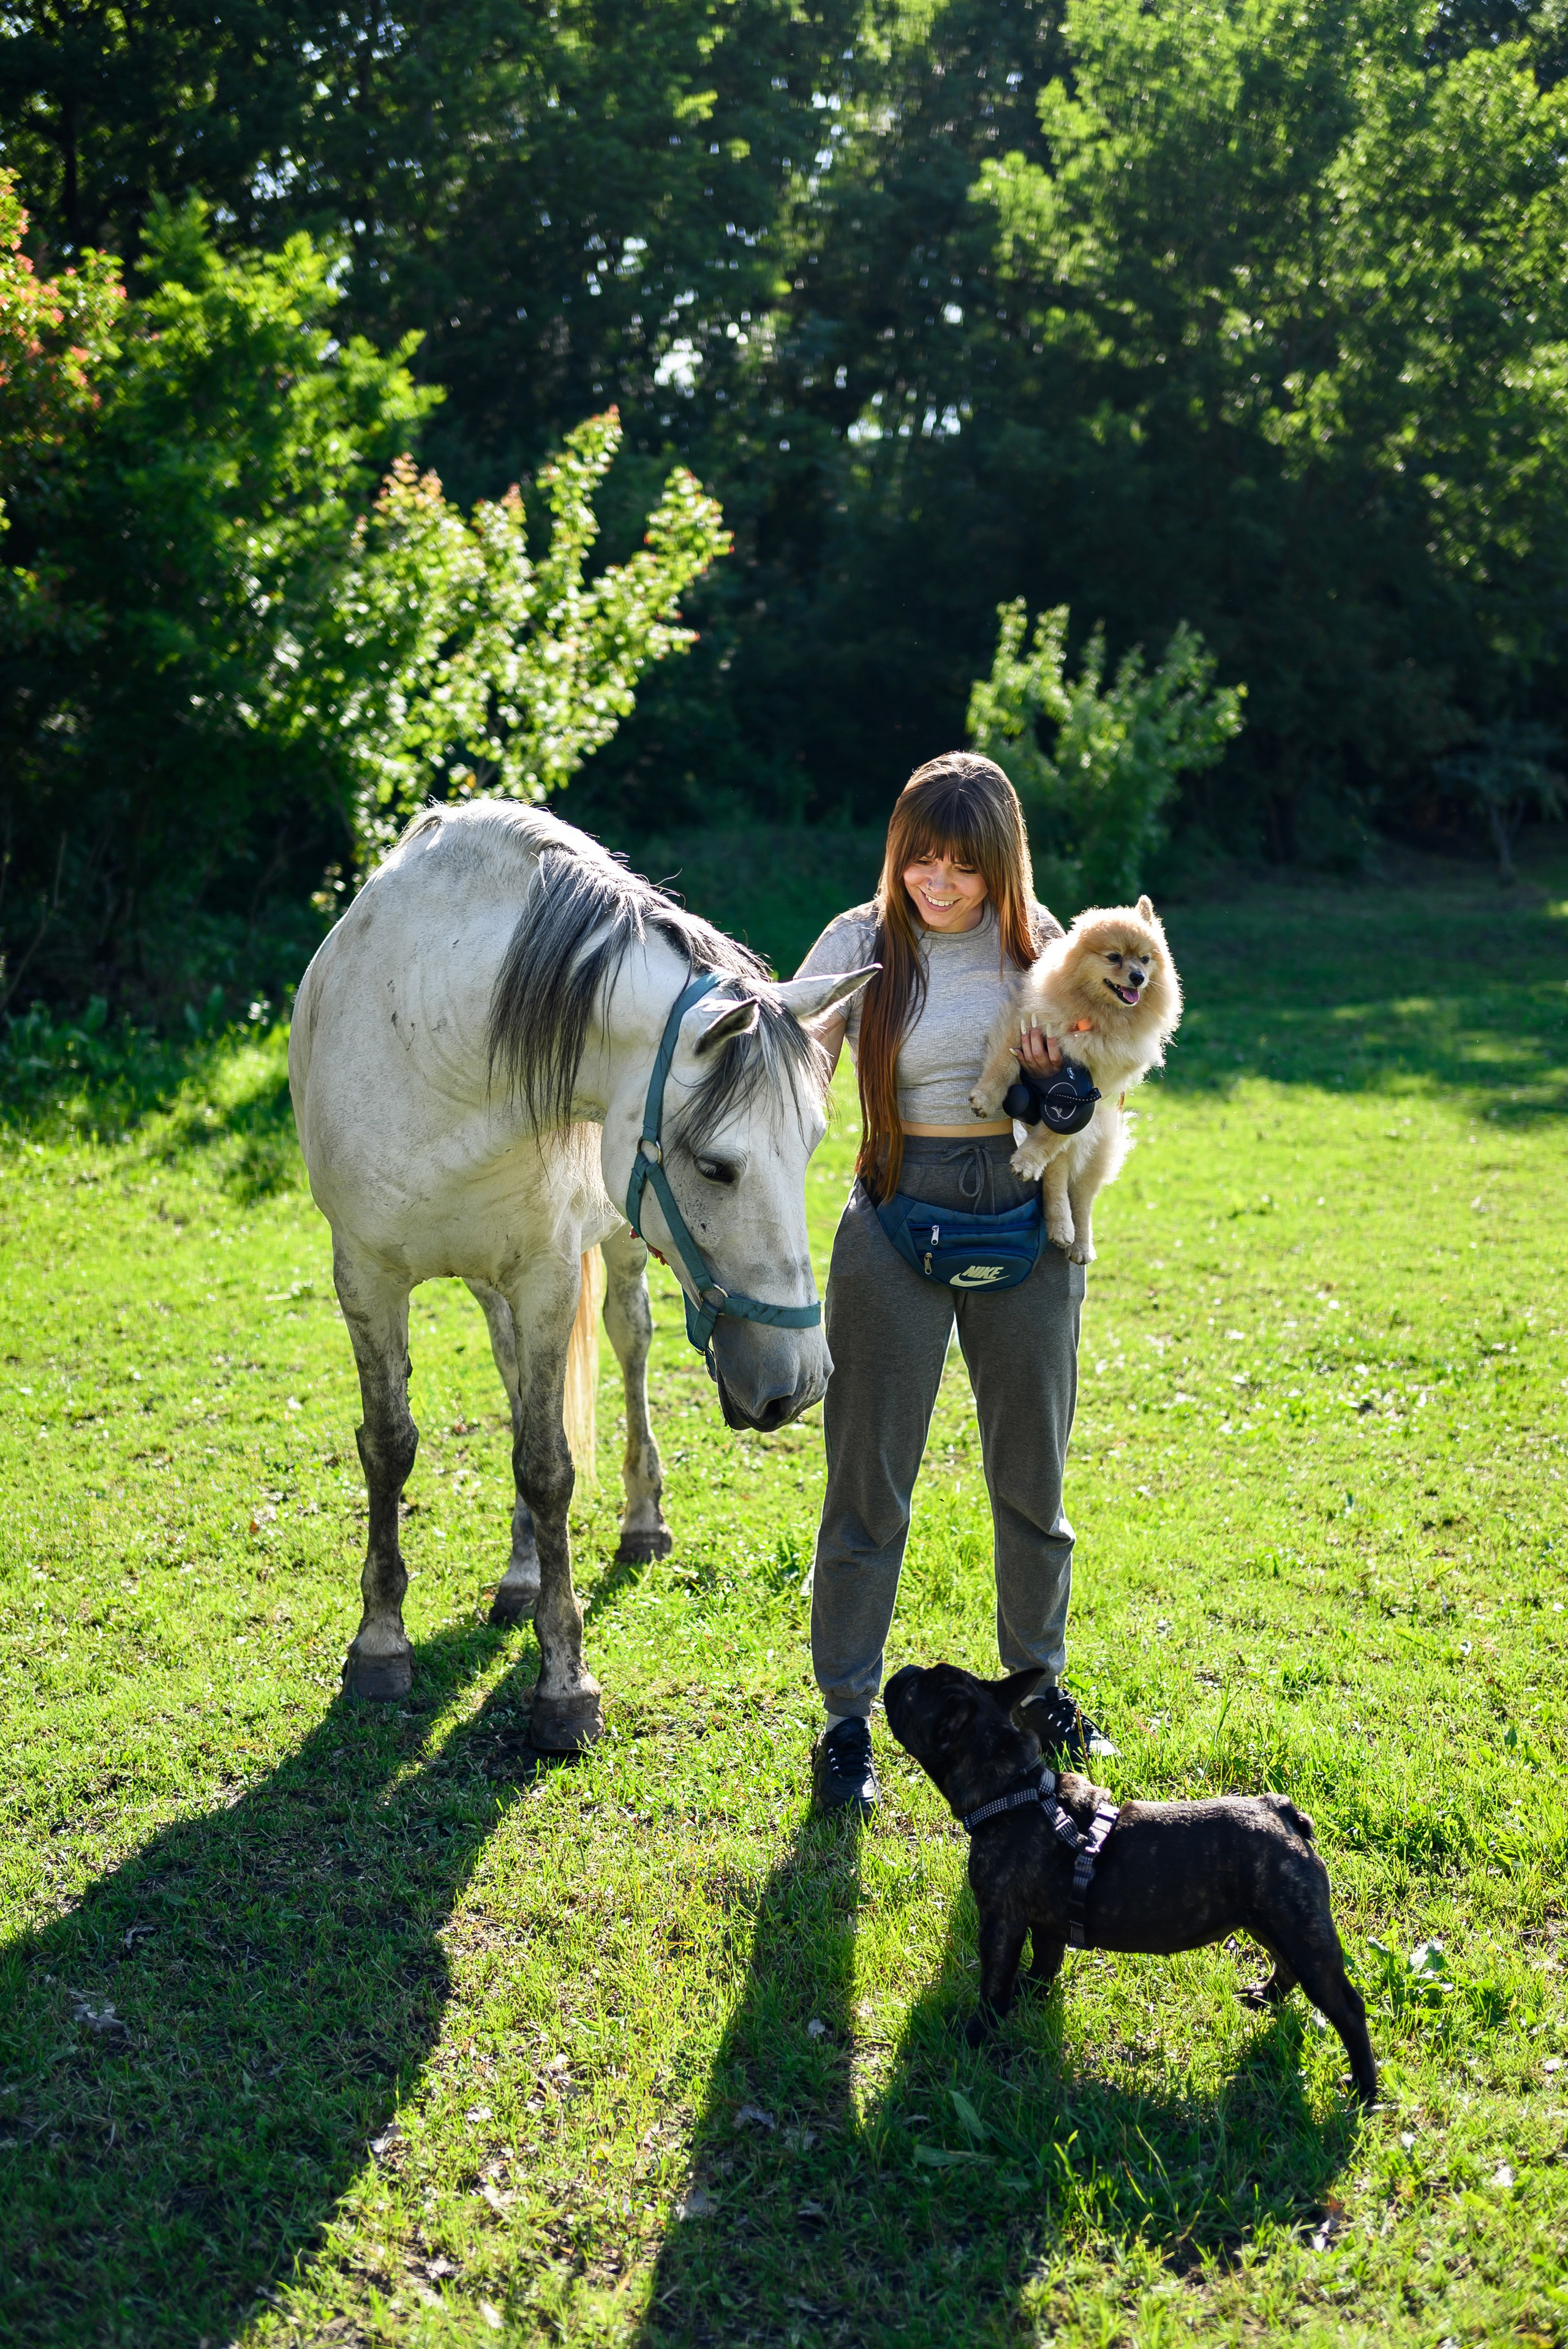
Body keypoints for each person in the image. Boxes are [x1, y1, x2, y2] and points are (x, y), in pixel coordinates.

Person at [794, 751, 1115, 1817]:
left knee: (1034, 1480)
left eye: (963, 867)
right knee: (867, 1484)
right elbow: (793, 1059)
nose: (937, 883)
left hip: (1024, 1212)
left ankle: (1041, 1690)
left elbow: (1100, 1064)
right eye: (919, 858)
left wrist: (1069, 1096)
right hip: (894, 1205)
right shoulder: (860, 940)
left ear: (1001, 867)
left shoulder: (1043, 943)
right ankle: (846, 1718)